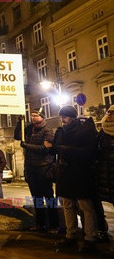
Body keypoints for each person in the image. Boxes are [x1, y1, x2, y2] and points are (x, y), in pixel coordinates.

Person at [50, 106, 98, 253]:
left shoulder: (85, 130)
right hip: (64, 173)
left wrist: (66, 149)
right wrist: (51, 148)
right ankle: (71, 234)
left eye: (65, 116)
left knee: (85, 206)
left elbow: (91, 152)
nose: (62, 119)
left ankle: (90, 237)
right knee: (67, 205)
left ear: (73, 117)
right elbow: (56, 149)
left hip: (81, 172)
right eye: (61, 116)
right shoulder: (59, 131)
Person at [14, 109, 58, 232]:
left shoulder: (47, 131)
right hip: (31, 166)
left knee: (48, 196)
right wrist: (19, 123)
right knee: (36, 197)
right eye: (32, 115)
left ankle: (54, 224)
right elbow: (17, 136)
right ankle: (40, 223)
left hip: (43, 166)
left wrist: (27, 146)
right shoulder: (29, 128)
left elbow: (45, 149)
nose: (33, 117)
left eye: (36, 115)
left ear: (42, 117)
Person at [94, 105, 114, 242]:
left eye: (113, 113)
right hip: (105, 174)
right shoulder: (103, 131)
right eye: (109, 112)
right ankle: (103, 231)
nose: (110, 115)